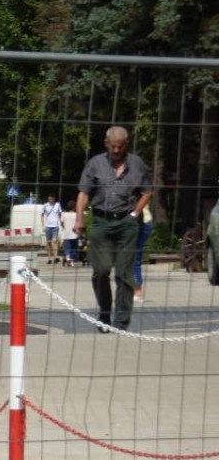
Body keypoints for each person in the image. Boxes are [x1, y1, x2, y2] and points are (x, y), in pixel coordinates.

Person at [74, 126, 152, 332]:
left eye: (120, 147)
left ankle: (121, 321)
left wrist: (136, 213)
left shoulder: (137, 164)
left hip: (127, 223)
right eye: (113, 146)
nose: (116, 150)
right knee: (100, 271)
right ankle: (105, 312)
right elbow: (83, 193)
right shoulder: (95, 163)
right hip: (101, 222)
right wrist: (79, 219)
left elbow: (147, 191)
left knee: (124, 273)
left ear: (126, 144)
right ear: (106, 144)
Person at [133, 205, 154, 302]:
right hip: (128, 222)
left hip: (141, 222)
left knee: (135, 257)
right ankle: (131, 291)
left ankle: (137, 292)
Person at [42, 194, 62, 263]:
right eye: (49, 199)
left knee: (54, 242)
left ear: (54, 199)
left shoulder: (58, 205)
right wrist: (43, 225)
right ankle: (49, 258)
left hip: (55, 227)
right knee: (49, 243)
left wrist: (61, 223)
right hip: (47, 227)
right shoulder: (45, 205)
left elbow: (60, 215)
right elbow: (42, 215)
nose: (50, 200)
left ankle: (56, 257)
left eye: (51, 199)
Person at [60, 200, 78, 266]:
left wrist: (64, 227)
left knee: (67, 247)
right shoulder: (76, 215)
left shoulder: (64, 214)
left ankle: (67, 257)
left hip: (67, 233)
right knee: (74, 247)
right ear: (74, 207)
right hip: (74, 234)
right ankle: (72, 261)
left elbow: (61, 222)